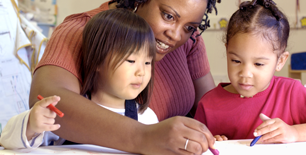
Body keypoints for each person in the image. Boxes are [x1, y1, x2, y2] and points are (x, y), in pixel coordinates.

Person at [29, 0, 218, 154]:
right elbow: (51, 100)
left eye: (189, 27)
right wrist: (144, 137)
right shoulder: (87, 30)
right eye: (168, 16)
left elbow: (213, 109)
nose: (176, 35)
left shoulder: (189, 41)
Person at [0, 9, 159, 149]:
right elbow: (8, 142)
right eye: (131, 61)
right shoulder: (66, 113)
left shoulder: (148, 119)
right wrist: (31, 124)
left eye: (147, 62)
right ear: (97, 61)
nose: (142, 72)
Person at [194, 0, 306, 143]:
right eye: (236, 61)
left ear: (280, 61)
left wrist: (294, 133)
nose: (245, 73)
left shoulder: (291, 92)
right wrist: (212, 143)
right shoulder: (208, 105)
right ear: (227, 51)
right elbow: (197, 142)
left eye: (259, 64)